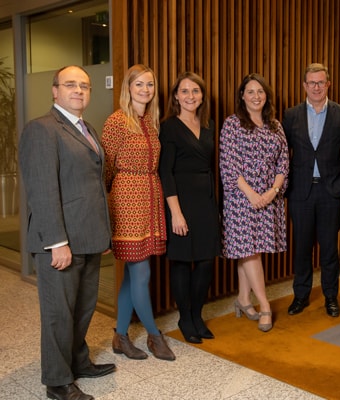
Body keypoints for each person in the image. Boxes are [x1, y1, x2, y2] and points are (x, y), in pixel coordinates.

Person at [19, 65, 115, 400]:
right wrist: (57, 242)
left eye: (84, 85)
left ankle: (78, 361)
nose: (78, 90)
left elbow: (92, 186)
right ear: (55, 90)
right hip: (60, 242)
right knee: (59, 313)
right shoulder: (41, 130)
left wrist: (101, 233)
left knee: (83, 307)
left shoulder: (86, 127)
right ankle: (58, 382)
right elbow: (42, 191)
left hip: (88, 237)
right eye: (70, 84)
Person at [102, 64, 175, 361]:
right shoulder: (117, 121)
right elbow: (105, 167)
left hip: (149, 195)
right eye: (139, 85)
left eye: (150, 85)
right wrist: (110, 206)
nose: (145, 90)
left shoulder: (152, 121)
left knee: (133, 277)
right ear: (128, 88)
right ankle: (154, 336)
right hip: (126, 199)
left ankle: (120, 336)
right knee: (141, 273)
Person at [283, 63, 340, 317]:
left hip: (330, 192)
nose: (316, 87)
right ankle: (301, 296)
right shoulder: (291, 115)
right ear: (304, 86)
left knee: (329, 249)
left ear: (328, 84)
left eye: (320, 82)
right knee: (302, 248)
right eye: (311, 83)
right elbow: (282, 155)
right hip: (300, 193)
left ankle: (330, 297)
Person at [219, 73, 289, 332]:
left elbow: (283, 162)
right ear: (242, 96)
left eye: (260, 91)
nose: (256, 96)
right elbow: (228, 163)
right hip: (241, 198)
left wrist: (273, 191)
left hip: (270, 196)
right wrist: (250, 194)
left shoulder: (275, 126)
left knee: (249, 251)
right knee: (248, 251)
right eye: (250, 91)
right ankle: (265, 305)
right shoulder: (232, 124)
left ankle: (243, 299)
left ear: (266, 95)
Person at [159, 72, 221, 343]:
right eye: (184, 91)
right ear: (176, 96)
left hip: (205, 201)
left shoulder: (209, 125)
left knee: (207, 261)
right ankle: (185, 318)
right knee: (182, 262)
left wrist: (215, 204)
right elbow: (165, 172)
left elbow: (211, 167)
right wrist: (176, 212)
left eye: (195, 91)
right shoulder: (170, 127)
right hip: (180, 201)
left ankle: (197, 314)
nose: (190, 96)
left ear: (202, 95)